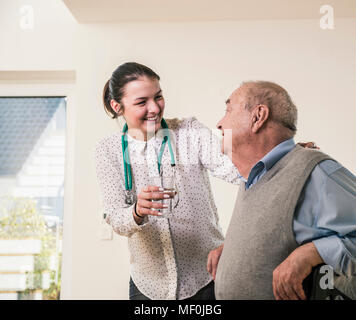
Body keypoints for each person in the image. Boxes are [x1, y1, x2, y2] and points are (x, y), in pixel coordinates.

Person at [94, 62, 241, 300]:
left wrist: (285, 154)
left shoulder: (189, 132)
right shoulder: (108, 151)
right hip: (148, 286)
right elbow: (115, 217)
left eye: (158, 97)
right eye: (142, 102)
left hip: (206, 279)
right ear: (117, 106)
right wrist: (137, 211)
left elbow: (236, 169)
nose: (154, 108)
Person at [213, 80, 356, 300]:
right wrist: (233, 249)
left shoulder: (316, 172)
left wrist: (311, 253)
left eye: (229, 110)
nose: (219, 123)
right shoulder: (253, 175)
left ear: (258, 117)